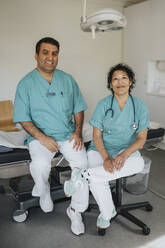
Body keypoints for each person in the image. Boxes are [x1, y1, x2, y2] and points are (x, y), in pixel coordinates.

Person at [13, 37, 89, 235]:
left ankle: (76, 210)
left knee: (82, 166)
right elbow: (23, 118)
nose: (50, 57)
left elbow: (78, 108)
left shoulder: (67, 79)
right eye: (45, 53)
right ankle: (44, 189)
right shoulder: (26, 83)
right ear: (36, 56)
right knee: (39, 165)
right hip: (39, 137)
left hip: (67, 134)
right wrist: (42, 138)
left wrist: (77, 132)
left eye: (54, 53)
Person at [64, 63, 150, 235]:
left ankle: (82, 176)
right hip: (100, 148)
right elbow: (96, 136)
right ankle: (107, 211)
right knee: (98, 175)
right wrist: (106, 158)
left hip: (125, 149)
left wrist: (124, 155)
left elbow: (141, 139)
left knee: (139, 163)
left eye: (124, 78)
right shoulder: (104, 104)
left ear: (131, 81)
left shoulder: (140, 106)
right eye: (115, 79)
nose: (120, 82)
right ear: (110, 84)